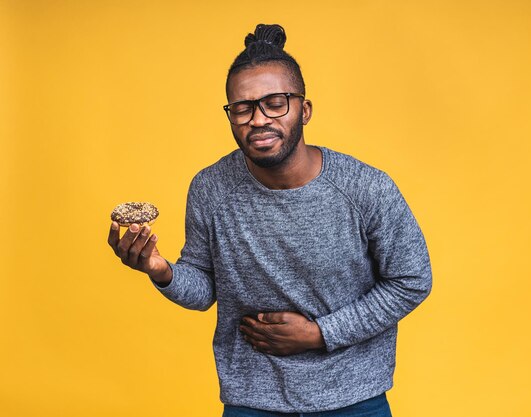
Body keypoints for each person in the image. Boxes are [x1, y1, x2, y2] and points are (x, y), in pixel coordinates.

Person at [108, 24, 432, 417]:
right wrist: (161, 271)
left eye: (275, 102)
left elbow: (412, 279)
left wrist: (320, 334)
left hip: (353, 398)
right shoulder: (211, 188)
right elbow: (204, 287)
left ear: (304, 109)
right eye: (242, 108)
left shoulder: (365, 188)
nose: (258, 119)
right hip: (252, 401)